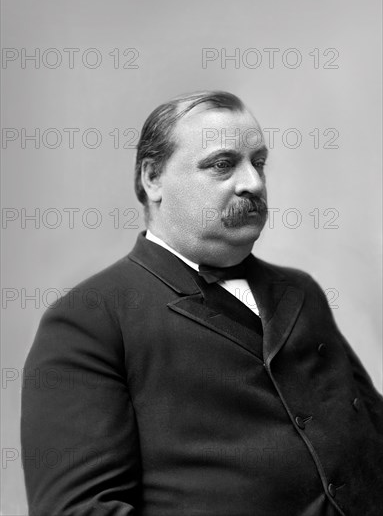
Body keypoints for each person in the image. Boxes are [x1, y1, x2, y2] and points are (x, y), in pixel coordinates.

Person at [21, 91, 383, 516]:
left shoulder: (301, 292)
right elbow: (80, 510)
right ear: (153, 178)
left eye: (259, 162)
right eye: (223, 164)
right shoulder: (90, 319)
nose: (253, 182)